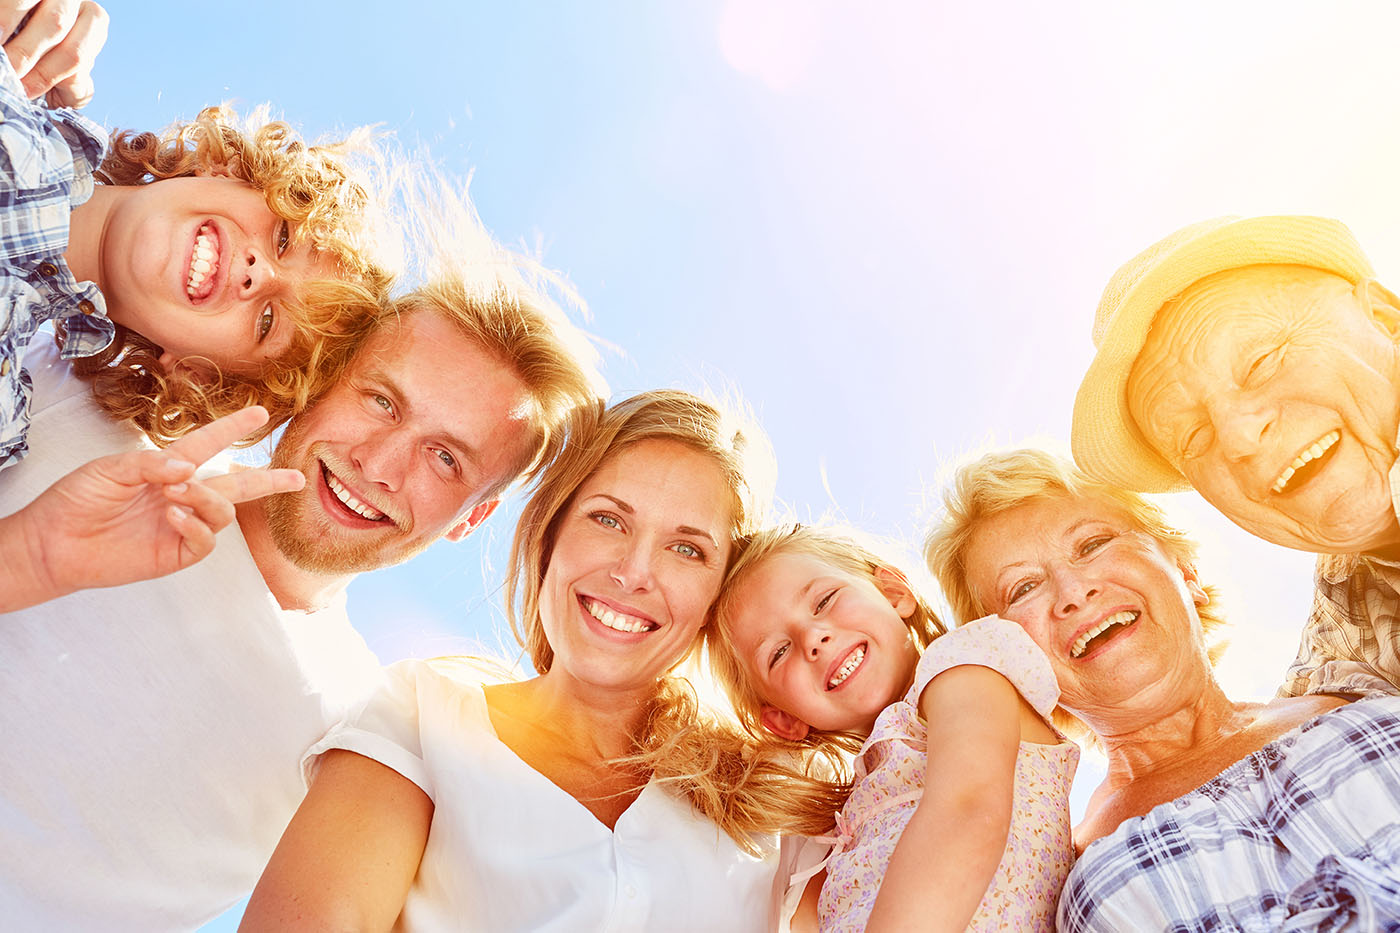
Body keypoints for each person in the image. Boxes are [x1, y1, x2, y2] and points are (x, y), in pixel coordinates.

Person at [0, 272, 603, 930]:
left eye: (443, 457)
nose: (378, 465)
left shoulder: (360, 734)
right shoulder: (83, 419)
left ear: (468, 519)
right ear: (324, 377)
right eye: (381, 401)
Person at [242, 390, 789, 932]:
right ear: (551, 534)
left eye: (688, 549)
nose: (634, 571)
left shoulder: (775, 794)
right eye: (608, 520)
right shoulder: (423, 718)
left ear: (720, 595)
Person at [926, 448, 1400, 931]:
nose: (1072, 592)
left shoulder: (1362, 673)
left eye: (1092, 544)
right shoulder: (1058, 877)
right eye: (1023, 588)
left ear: (1186, 572)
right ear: (1014, 665)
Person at [1071, 215, 1400, 698]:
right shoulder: (1337, 651)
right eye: (1194, 436)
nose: (1239, 438)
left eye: (1261, 361)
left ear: (1386, 320)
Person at [706, 524, 1078, 932]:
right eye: (778, 652)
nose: (813, 637)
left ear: (893, 593)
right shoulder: (849, 822)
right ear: (784, 719)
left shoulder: (961, 670)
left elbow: (969, 810)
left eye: (824, 600)